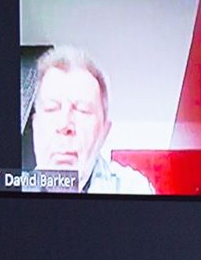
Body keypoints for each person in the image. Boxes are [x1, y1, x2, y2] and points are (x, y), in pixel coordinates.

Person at [26, 45, 155, 193]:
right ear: (35, 126)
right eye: (52, 108)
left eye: (82, 110)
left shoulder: (133, 189)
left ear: (104, 132)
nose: (64, 124)